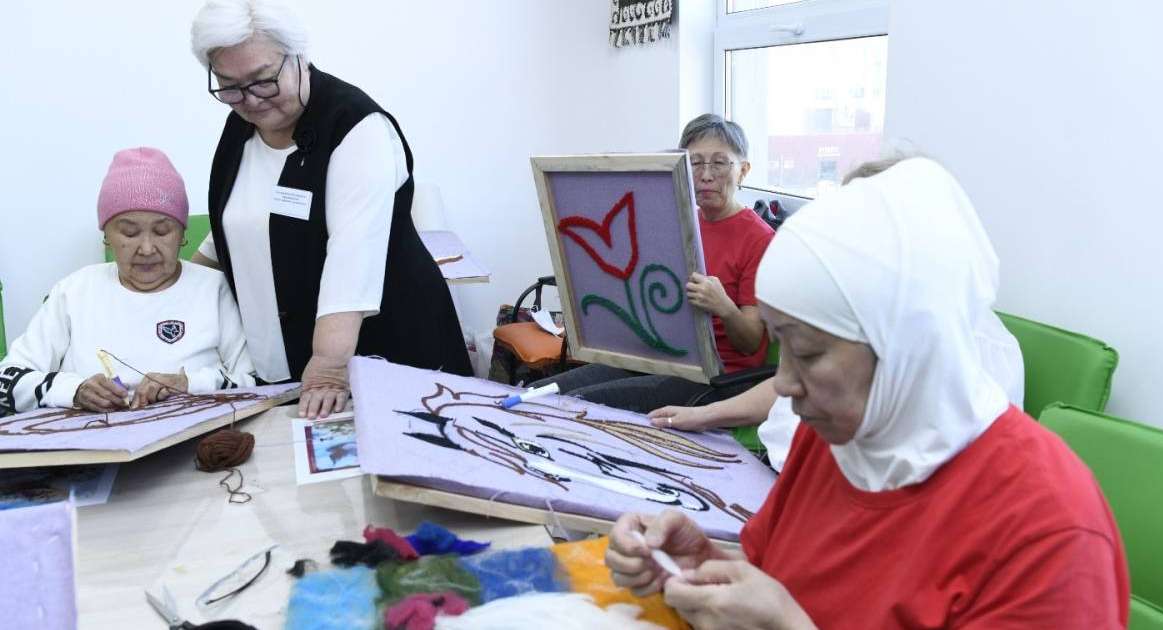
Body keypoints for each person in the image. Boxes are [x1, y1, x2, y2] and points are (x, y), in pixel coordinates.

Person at [605, 158, 1129, 629]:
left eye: (807, 354)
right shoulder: (839, 433)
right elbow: (785, 574)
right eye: (781, 345)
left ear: (905, 344)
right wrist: (707, 567)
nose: (784, 384)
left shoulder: (1049, 533)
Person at [650, 156, 1026, 471]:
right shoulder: (857, 312)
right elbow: (791, 388)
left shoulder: (978, 355)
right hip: (780, 467)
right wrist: (706, 415)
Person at [188, 0, 471, 419]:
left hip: (383, 353)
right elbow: (235, 223)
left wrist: (328, 368)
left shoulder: (358, 128)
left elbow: (351, 258)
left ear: (299, 56)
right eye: (229, 86)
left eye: (261, 80)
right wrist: (172, 295)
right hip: (282, 366)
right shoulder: (242, 126)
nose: (249, 100)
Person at [532, 114, 775, 413]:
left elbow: (752, 344)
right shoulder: (679, 221)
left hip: (721, 379)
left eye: (720, 163)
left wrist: (723, 305)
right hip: (664, 359)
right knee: (538, 394)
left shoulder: (760, 239)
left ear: (743, 171)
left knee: (578, 407)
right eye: (695, 163)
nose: (706, 174)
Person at [0, 147, 255, 415]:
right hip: (92, 445)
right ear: (107, 235)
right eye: (129, 233)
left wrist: (189, 384)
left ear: (182, 234)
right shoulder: (74, 291)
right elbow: (7, 379)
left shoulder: (214, 289)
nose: (146, 248)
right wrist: (73, 390)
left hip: (193, 443)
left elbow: (253, 381)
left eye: (162, 231)